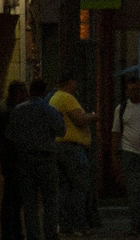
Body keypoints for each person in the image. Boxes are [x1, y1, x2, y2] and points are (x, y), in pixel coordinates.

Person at [3, 82, 70, 240]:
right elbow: (61, 131)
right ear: (44, 92)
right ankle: (50, 234)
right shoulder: (50, 110)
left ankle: (33, 235)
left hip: (25, 159)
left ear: (31, 91)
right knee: (50, 201)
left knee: (29, 202)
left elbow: (10, 135)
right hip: (47, 158)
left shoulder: (18, 110)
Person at [110, 76, 140, 233]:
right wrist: (115, 156)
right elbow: (116, 133)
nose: (134, 93)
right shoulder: (122, 108)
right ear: (127, 91)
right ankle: (136, 224)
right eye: (131, 90)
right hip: (130, 153)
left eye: (136, 89)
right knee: (134, 190)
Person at [51, 75, 97, 236]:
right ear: (69, 83)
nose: (75, 87)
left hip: (58, 146)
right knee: (80, 185)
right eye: (74, 83)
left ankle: (64, 225)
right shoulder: (67, 98)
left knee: (63, 189)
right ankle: (79, 225)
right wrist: (93, 115)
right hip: (72, 148)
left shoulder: (54, 98)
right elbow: (79, 119)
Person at [0, 81, 30, 240]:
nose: (26, 97)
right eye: (24, 93)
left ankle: (13, 232)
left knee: (13, 199)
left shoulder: (6, 107)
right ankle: (11, 233)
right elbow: (11, 139)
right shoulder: (9, 111)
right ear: (17, 93)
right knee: (13, 199)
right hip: (12, 160)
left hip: (10, 159)